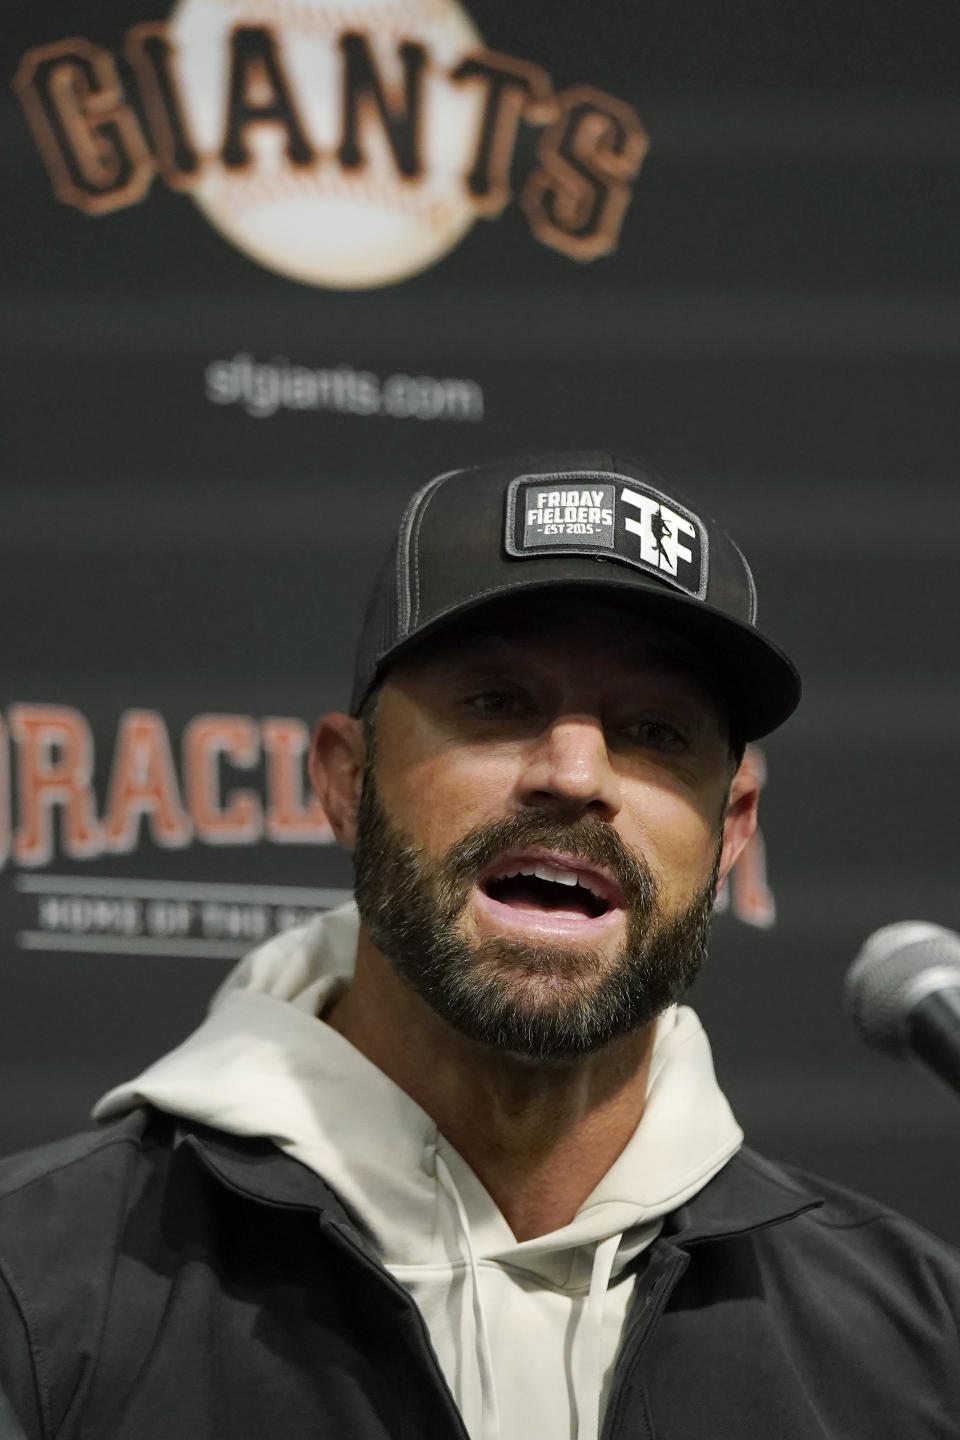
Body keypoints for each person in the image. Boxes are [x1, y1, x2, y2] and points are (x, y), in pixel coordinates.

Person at [0, 450, 958, 1440]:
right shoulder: (31, 1289)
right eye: (499, 702)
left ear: (735, 829)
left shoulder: (923, 1344)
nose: (576, 771)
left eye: (657, 731)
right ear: (343, 782)